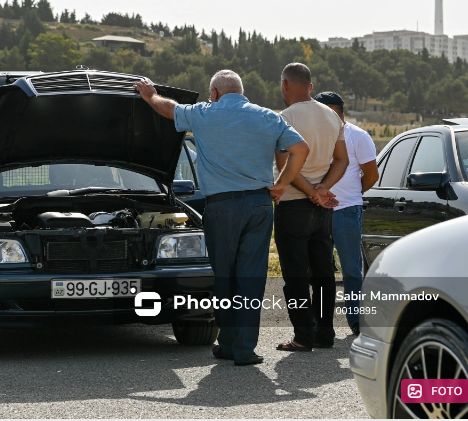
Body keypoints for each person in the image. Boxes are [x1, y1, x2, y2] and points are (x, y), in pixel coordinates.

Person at [134, 70, 309, 366]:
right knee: (251, 278)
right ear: (241, 91)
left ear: (214, 93)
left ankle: (228, 342)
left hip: (222, 206)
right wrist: (282, 184)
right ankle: (242, 349)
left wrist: (149, 94)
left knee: (225, 278)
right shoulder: (267, 116)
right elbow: (300, 149)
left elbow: (168, 109)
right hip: (259, 205)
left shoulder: (205, 114)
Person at [274, 63, 349, 352]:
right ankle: (326, 333)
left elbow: (285, 167)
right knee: (323, 274)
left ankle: (302, 335)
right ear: (311, 87)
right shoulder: (332, 115)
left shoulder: (286, 117)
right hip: (323, 209)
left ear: (285, 85)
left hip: (294, 205)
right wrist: (323, 189)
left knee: (295, 277)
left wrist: (310, 192)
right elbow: (342, 160)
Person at [314, 92, 379, 336]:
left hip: (346, 210)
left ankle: (356, 319)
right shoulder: (312, 136)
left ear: (338, 111)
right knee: (318, 270)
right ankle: (319, 322)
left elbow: (371, 175)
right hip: (317, 210)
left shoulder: (358, 136)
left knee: (351, 269)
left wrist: (352, 194)